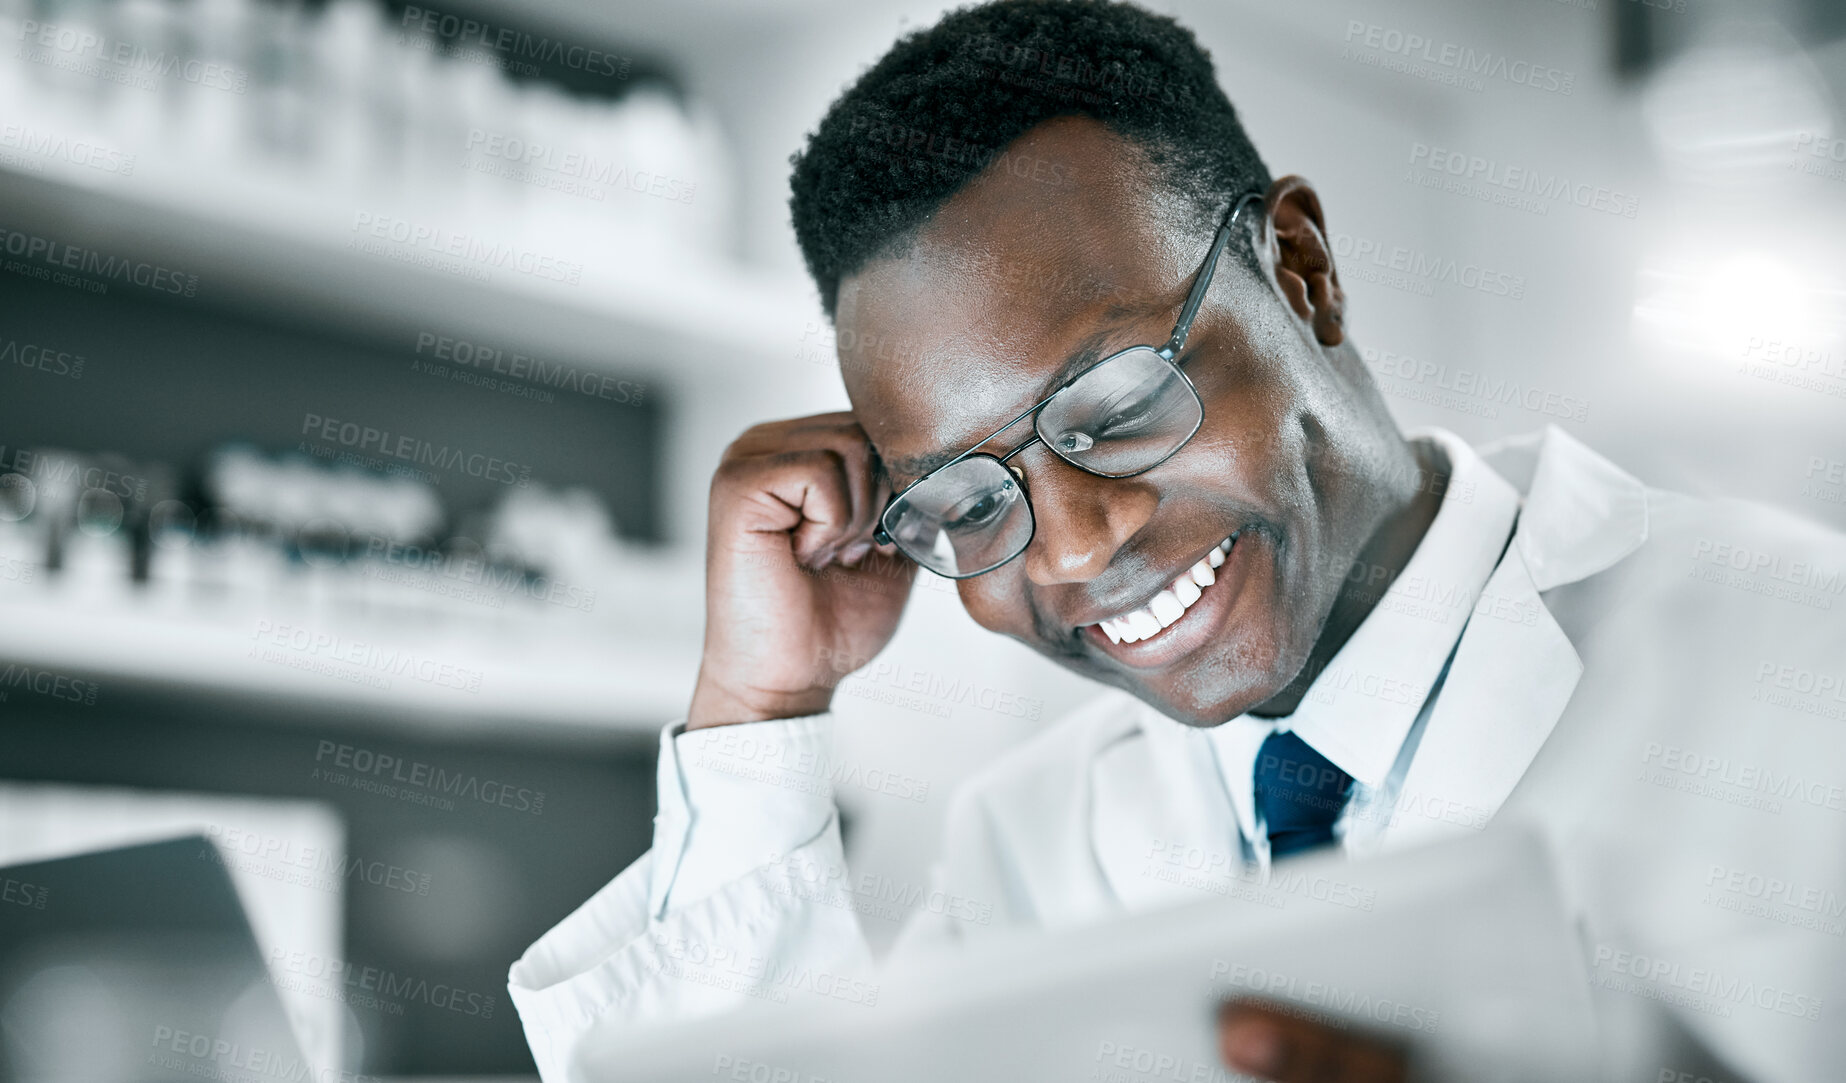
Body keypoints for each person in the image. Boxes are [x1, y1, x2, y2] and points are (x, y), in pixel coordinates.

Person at [508, 3, 1846, 1080]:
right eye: (968, 501)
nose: (1072, 549)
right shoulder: (1025, 849)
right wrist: (758, 712)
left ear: (1303, 271)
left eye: (1118, 405)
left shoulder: (1803, 655)